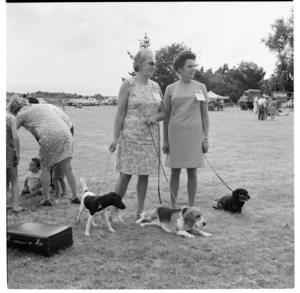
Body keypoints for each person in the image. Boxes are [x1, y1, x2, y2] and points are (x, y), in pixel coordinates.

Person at [109, 48, 166, 222]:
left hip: (150, 138)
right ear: (139, 64)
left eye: (155, 63)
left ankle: (140, 211)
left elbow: (164, 112)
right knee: (125, 175)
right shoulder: (128, 84)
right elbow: (120, 113)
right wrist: (115, 138)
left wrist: (154, 117)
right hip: (131, 137)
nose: (154, 66)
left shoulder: (156, 86)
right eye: (151, 63)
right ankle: (114, 211)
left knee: (144, 174)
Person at [8, 97, 80, 207]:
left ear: (14, 109)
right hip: (66, 133)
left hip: (48, 136)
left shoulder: (21, 114)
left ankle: (46, 199)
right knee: (68, 167)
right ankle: (75, 197)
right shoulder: (41, 106)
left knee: (45, 168)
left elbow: (10, 131)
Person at [163, 50, 209, 209]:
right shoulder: (170, 88)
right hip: (174, 135)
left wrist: (206, 138)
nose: (193, 69)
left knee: (192, 172)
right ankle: (173, 207)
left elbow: (205, 115)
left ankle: (191, 206)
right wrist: (165, 139)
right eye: (189, 66)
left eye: (194, 66)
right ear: (179, 69)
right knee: (174, 172)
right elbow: (166, 116)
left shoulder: (201, 87)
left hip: (194, 135)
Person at [6, 112, 24, 212]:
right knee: (14, 180)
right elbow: (15, 136)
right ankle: (16, 206)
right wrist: (17, 152)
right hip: (8, 152)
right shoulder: (10, 118)